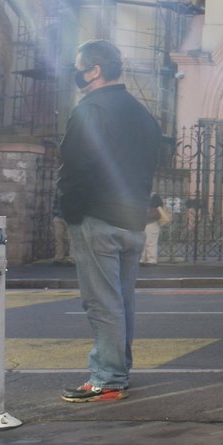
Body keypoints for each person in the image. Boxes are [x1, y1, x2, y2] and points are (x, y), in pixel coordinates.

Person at [57, 39, 161, 402]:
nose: (76, 73)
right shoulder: (142, 113)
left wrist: (69, 210)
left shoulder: (91, 109)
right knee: (122, 300)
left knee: (102, 302)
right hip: (131, 221)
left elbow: (74, 165)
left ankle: (108, 376)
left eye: (79, 66)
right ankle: (118, 368)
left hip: (96, 218)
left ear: (95, 71)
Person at [141, 193, 170, 265]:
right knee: (147, 242)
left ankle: (150, 259)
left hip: (150, 222)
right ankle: (146, 259)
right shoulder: (154, 197)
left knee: (148, 242)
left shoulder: (152, 197)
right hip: (150, 222)